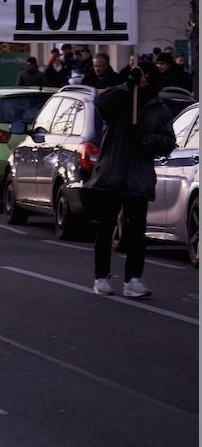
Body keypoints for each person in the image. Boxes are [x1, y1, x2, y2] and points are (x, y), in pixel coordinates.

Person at [87, 61, 175, 298]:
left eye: (145, 74)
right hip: (111, 173)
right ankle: (101, 277)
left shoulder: (158, 108)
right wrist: (127, 85)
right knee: (105, 229)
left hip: (138, 177)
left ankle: (133, 279)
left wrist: (148, 140)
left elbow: (168, 141)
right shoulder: (121, 99)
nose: (142, 78)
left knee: (136, 231)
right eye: (139, 73)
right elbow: (101, 103)